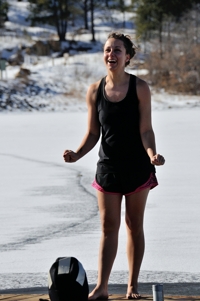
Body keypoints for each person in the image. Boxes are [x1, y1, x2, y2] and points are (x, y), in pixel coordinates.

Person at [63, 32, 165, 300]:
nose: (112, 55)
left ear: (128, 56)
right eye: (108, 50)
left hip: (137, 168)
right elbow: (93, 132)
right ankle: (102, 287)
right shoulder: (95, 90)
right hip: (107, 167)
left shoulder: (140, 88)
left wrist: (152, 154)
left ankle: (132, 286)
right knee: (109, 227)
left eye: (118, 50)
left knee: (134, 225)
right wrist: (77, 153)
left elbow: (146, 130)